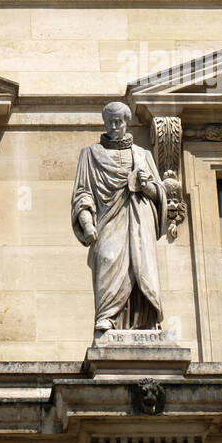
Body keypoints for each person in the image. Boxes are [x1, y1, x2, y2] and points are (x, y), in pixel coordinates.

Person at [70, 101, 165, 336]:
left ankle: (145, 321)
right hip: (108, 222)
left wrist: (147, 186)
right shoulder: (90, 154)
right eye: (110, 122)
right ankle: (106, 316)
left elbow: (159, 194)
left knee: (141, 265)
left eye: (119, 121)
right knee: (108, 258)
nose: (114, 126)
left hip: (140, 221)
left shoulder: (142, 155)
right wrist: (87, 224)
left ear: (127, 122)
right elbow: (82, 193)